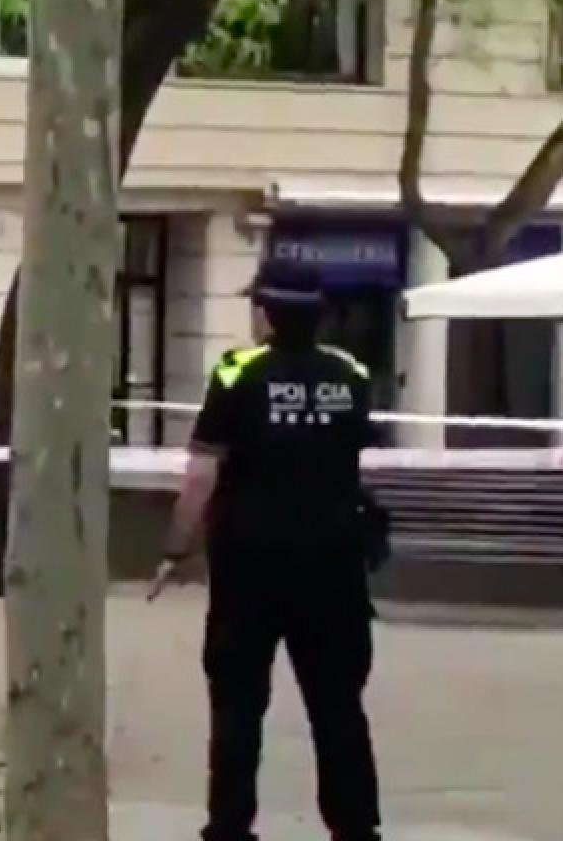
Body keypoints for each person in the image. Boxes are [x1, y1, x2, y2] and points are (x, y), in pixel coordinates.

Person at [149, 260, 382, 841]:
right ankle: (355, 829)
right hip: (334, 565)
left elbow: (203, 470)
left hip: (250, 566)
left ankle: (229, 827)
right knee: (337, 706)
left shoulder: (237, 374)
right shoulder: (350, 374)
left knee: (237, 705)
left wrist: (176, 547)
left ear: (267, 311)